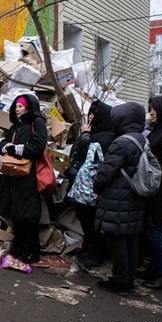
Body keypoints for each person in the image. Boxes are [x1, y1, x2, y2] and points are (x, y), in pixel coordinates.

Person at [93, 102, 148, 297]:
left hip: (118, 198)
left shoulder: (121, 142)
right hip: (134, 197)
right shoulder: (141, 139)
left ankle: (120, 281)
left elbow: (107, 172)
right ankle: (129, 278)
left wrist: (96, 185)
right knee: (131, 238)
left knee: (117, 239)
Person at [0, 94, 47, 264]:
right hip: (12, 176)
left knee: (29, 213)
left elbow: (38, 147)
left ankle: (32, 250)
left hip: (29, 175)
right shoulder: (15, 126)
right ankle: (18, 247)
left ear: (29, 107)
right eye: (16, 106)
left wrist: (18, 150)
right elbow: (2, 142)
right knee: (15, 211)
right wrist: (6, 147)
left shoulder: (37, 123)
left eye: (20, 106)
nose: (17, 109)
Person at [137, 96, 162, 290]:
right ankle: (154, 268)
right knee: (149, 230)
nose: (150, 113)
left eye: (154, 110)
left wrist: (150, 170)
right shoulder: (159, 130)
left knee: (154, 231)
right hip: (152, 189)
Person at [68, 101, 114, 270]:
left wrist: (85, 137)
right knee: (85, 218)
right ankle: (88, 248)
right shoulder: (93, 132)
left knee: (93, 221)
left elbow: (93, 158)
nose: (91, 116)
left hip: (93, 188)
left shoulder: (107, 136)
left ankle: (96, 254)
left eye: (95, 113)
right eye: (90, 112)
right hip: (82, 186)